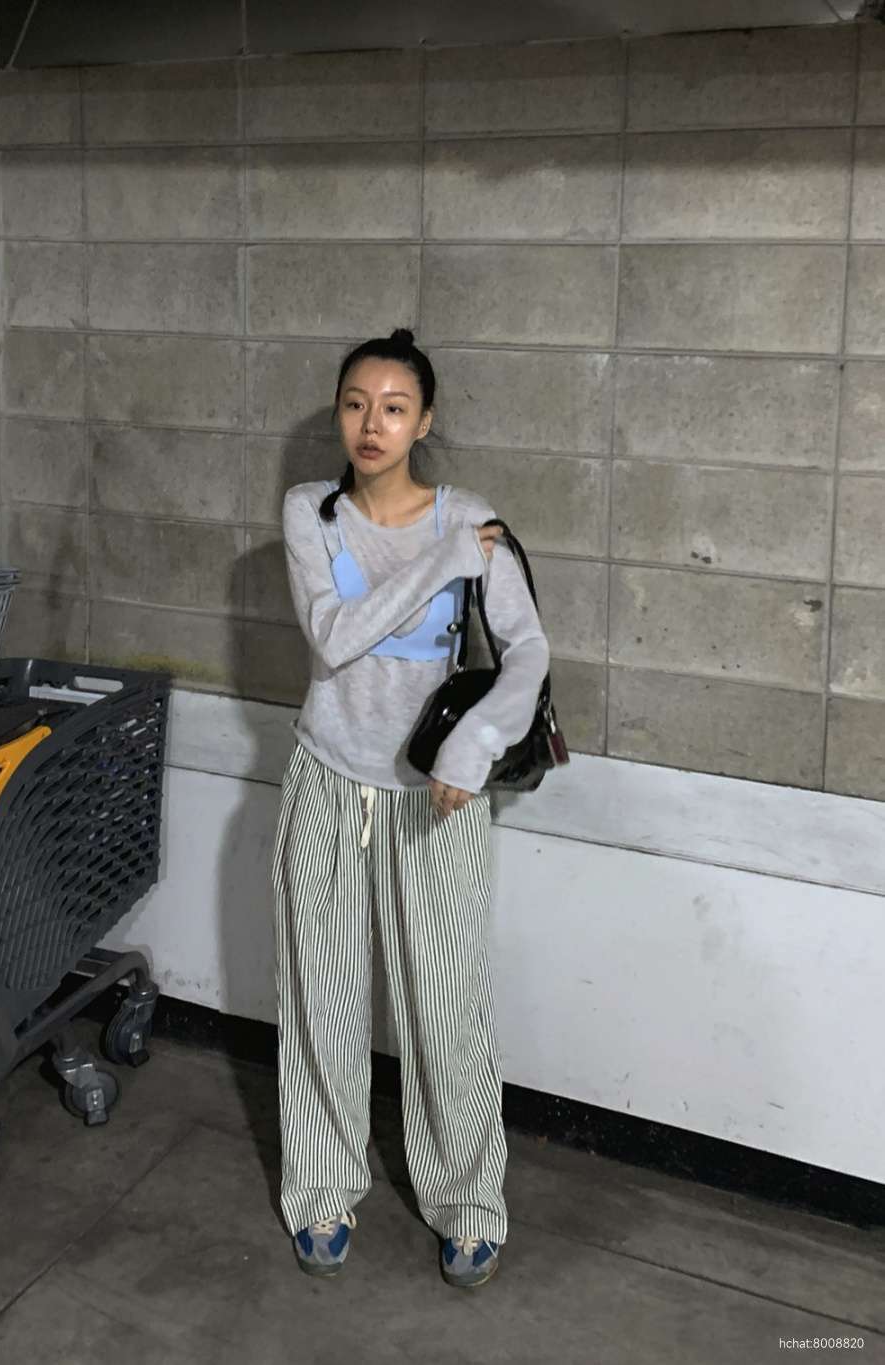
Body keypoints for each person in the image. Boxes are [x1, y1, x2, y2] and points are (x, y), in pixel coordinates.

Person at [271, 327, 550, 1289]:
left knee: (446, 1005)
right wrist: (440, 565)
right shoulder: (310, 512)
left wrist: (473, 748)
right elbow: (333, 637)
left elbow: (527, 653)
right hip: (326, 781)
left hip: (436, 796)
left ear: (423, 421)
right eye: (356, 404)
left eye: (393, 408)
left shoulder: (469, 517)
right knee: (320, 996)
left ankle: (468, 1204)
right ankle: (320, 1188)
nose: (371, 424)